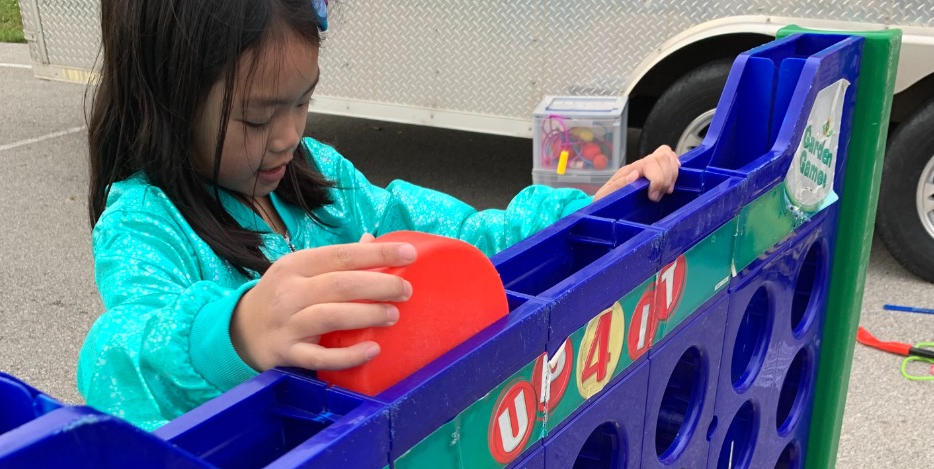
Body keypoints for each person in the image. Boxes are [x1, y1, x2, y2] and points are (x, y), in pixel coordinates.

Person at [80, 0, 680, 431]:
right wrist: (235, 332)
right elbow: (116, 364)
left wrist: (584, 210)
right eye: (259, 119)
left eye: (304, 101)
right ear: (167, 95)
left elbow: (464, 237)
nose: (290, 135)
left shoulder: (321, 176)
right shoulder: (146, 221)